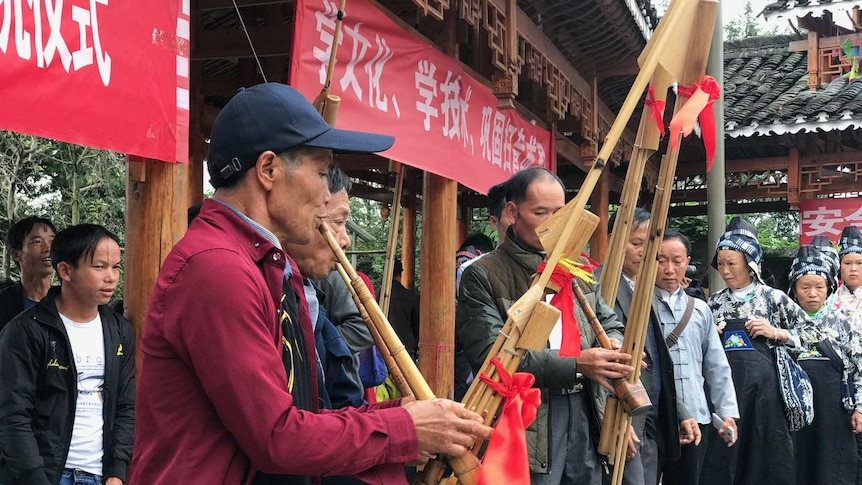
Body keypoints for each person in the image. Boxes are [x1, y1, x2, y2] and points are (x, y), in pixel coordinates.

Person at [130, 82, 491, 485]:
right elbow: (276, 438)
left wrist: (393, 417)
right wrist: (405, 429)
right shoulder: (217, 268)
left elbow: (302, 414)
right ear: (268, 170)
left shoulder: (269, 266)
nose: (326, 195)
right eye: (321, 173)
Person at [458, 167, 633, 485]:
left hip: (585, 407)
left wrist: (615, 346)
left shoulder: (576, 263)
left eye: (560, 212)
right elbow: (492, 359)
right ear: (512, 212)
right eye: (541, 213)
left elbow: (606, 319)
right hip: (530, 416)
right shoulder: (483, 274)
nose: (555, 223)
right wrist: (579, 364)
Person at [0, 223, 134, 485]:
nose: (111, 277)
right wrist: (34, 477)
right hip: (45, 475)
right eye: (99, 267)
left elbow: (125, 404)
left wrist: (118, 470)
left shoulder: (119, 330)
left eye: (115, 266)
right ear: (65, 270)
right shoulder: (26, 330)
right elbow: (12, 413)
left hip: (100, 475)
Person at [703, 216, 818, 485]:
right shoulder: (713, 304)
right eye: (721, 264)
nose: (725, 270)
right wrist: (710, 337)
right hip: (723, 395)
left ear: (750, 264)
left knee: (767, 460)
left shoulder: (774, 299)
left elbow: (815, 335)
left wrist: (777, 333)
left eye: (732, 263)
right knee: (723, 460)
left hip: (766, 398)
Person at [595, 210, 701, 485]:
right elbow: (593, 362)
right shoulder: (596, 285)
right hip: (620, 418)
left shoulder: (643, 288)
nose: (645, 252)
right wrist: (612, 416)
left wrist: (679, 411)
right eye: (637, 243)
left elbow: (656, 360)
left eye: (650, 243)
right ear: (613, 240)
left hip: (649, 418)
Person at [654, 229, 738, 485]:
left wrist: (727, 412)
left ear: (687, 262)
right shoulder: (638, 305)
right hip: (653, 417)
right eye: (661, 260)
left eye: (677, 261)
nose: (669, 269)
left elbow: (716, 365)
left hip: (696, 415)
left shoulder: (700, 309)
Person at [788, 243, 859, 485]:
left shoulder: (843, 324)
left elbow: (859, 367)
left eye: (819, 287)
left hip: (835, 415)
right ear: (794, 290)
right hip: (794, 418)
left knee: (833, 473)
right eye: (805, 287)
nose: (812, 293)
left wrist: (860, 407)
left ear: (829, 288)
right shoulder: (783, 325)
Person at [0, 216, 57, 328]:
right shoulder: (3, 303)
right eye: (37, 242)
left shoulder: (69, 302)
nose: (48, 248)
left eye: (52, 241)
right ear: (17, 254)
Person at [380, 259, 420, 360]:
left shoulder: (375, 295)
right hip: (405, 347)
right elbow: (417, 326)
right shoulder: (411, 297)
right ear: (400, 273)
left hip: (381, 346)